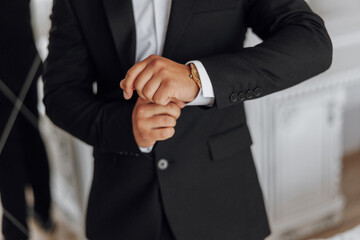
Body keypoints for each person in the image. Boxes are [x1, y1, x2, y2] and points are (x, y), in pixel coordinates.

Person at [43, 0, 332, 239]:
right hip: (122, 205)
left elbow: (312, 41)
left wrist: (198, 78)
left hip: (223, 196)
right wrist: (126, 127)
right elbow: (60, 95)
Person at [0, 1, 54, 239]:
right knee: (27, 140)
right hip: (24, 61)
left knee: (11, 150)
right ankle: (42, 213)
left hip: (19, 64)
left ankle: (17, 229)